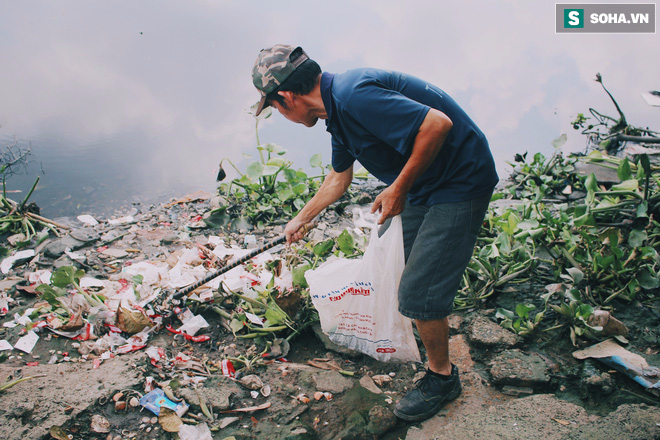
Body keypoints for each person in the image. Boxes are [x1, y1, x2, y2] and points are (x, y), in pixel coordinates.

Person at [251, 44, 498, 422]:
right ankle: (426, 323)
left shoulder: (354, 96)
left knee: (419, 292)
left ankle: (442, 377)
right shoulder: (337, 108)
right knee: (395, 261)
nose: (279, 115)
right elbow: (339, 177)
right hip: (426, 182)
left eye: (273, 109)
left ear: (285, 98)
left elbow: (438, 125)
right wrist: (301, 218)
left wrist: (398, 188)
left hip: (460, 181)